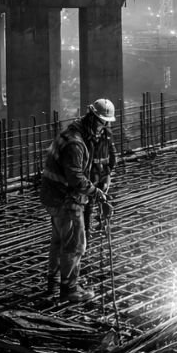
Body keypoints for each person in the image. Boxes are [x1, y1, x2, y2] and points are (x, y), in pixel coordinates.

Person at [40, 99, 113, 302]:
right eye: (101, 122)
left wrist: (104, 177)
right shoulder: (75, 143)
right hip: (66, 200)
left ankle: (53, 285)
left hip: (53, 197)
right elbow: (76, 178)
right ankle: (69, 290)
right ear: (91, 118)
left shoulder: (75, 133)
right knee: (74, 245)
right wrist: (96, 192)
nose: (104, 127)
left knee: (58, 241)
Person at [83, 99, 117, 233]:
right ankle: (86, 230)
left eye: (105, 121)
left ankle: (102, 225)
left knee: (103, 198)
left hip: (101, 172)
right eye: (100, 121)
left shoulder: (107, 134)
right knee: (87, 203)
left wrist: (108, 173)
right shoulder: (85, 135)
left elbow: (113, 156)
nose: (103, 124)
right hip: (89, 174)